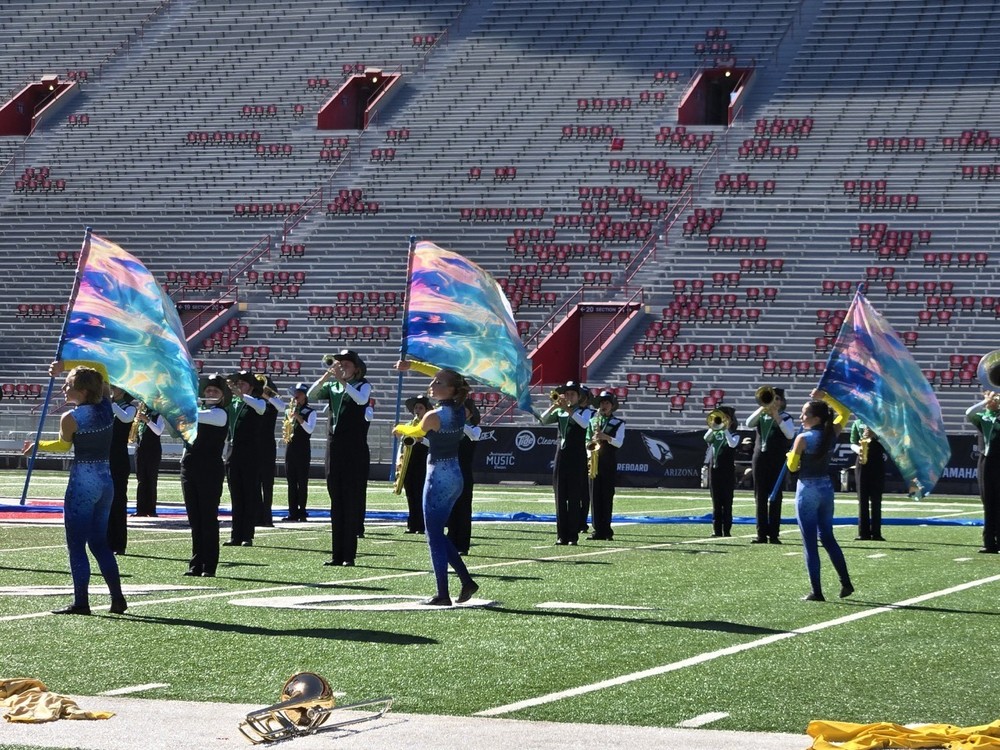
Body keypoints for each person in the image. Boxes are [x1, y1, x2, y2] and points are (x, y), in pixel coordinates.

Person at [23, 361, 127, 615]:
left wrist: (37, 446)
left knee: (77, 544)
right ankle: (117, 597)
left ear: (81, 392)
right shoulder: (106, 405)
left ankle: (82, 601)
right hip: (105, 479)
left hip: (83, 481)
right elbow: (101, 367)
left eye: (68, 385)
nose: (64, 388)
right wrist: (66, 366)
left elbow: (62, 446)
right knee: (100, 543)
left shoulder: (70, 417)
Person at [393, 365, 478, 605]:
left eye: (438, 383)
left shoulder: (433, 416)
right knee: (437, 533)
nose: (432, 384)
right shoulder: (462, 410)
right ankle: (465, 581)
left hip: (438, 475)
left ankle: (443, 593)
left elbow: (415, 431)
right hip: (455, 473)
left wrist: (399, 428)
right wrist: (412, 366)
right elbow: (445, 375)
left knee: (433, 535)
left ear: (451, 389)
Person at [786, 392, 854, 602]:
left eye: (804, 414)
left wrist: (790, 456)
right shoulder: (832, 432)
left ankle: (817, 591)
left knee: (809, 542)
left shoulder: (803, 438)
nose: (800, 418)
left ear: (816, 418)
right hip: (826, 487)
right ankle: (845, 582)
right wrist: (825, 398)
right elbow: (845, 412)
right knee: (828, 537)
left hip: (807, 489)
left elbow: (792, 467)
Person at [308, 349, 372, 567]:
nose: (342, 366)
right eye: (340, 363)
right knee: (336, 502)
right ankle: (337, 554)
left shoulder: (363, 385)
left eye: (347, 363)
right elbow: (311, 395)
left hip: (353, 449)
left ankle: (349, 555)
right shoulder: (333, 385)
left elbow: (361, 400)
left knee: (350, 502)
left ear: (357, 368)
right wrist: (327, 376)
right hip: (334, 448)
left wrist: (341, 382)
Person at [181, 374, 230, 577]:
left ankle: (209, 565)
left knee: (208, 518)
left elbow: (195, 416)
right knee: (195, 519)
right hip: (190, 467)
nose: (210, 393)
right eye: (208, 390)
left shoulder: (220, 414)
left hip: (209, 469)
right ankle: (196, 563)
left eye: (215, 391)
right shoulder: (198, 412)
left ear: (222, 396)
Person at [538, 381, 594, 546]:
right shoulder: (561, 412)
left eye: (572, 394)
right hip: (561, 455)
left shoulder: (586, 412)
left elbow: (584, 424)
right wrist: (554, 406)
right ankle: (561, 535)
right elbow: (542, 420)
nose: (569, 397)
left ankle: (573, 536)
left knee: (575, 497)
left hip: (577, 457)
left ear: (578, 397)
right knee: (560, 496)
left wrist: (568, 409)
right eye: (567, 394)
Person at [745, 386, 795, 544]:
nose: (774, 401)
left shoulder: (786, 417)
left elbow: (790, 434)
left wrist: (776, 416)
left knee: (775, 496)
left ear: (782, 401)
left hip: (777, 458)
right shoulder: (761, 416)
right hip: (760, 457)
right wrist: (762, 408)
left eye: (777, 398)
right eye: (772, 398)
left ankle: (774, 534)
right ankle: (761, 534)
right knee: (759, 496)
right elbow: (748, 423)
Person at [224, 370, 266, 547]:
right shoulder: (231, 403)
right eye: (237, 383)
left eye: (242, 383)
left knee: (249, 494)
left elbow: (261, 409)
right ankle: (235, 534)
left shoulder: (258, 402)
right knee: (236, 495)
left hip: (251, 453)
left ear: (250, 386)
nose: (239, 386)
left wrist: (241, 395)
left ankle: (247, 535)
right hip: (233, 452)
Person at [586, 390, 626, 541]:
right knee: (594, 496)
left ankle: (607, 530)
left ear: (612, 406)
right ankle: (597, 530)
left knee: (607, 496)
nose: (604, 405)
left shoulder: (619, 423)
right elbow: (587, 440)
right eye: (602, 403)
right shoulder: (592, 421)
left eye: (607, 403)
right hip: (594, 461)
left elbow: (619, 443)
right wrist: (590, 453)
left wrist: (606, 437)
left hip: (608, 462)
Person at [965, 391, 1000, 554]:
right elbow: (969, 412)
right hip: (986, 461)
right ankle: (988, 542)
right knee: (988, 502)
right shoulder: (984, 417)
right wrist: (985, 402)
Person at [448, 399, 482, 555]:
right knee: (452, 508)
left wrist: (459, 423)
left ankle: (462, 545)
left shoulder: (475, 429)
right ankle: (451, 542)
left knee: (463, 509)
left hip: (464, 473)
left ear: (470, 412)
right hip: (451, 471)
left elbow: (474, 436)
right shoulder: (453, 430)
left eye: (464, 410)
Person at [279, 382, 316, 522]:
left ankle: (302, 512)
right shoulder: (288, 411)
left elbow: (309, 430)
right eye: (295, 393)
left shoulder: (310, 412)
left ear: (305, 396)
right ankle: (292, 512)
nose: (296, 396)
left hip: (303, 449)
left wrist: (299, 418)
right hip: (291, 448)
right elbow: (286, 427)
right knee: (291, 482)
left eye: (299, 394)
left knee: (302, 481)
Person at [107, 385, 136, 554]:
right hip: (105, 455)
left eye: (115, 387)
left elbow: (126, 419)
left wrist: (110, 403)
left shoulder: (129, 408)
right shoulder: (110, 405)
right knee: (106, 501)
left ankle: (119, 543)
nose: (111, 388)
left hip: (119, 457)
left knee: (118, 500)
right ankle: (107, 540)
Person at [703, 405, 739, 538]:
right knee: (716, 502)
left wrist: (725, 430)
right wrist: (714, 426)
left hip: (727, 471)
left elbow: (732, 444)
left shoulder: (734, 434)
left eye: (726, 418)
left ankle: (727, 530)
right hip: (715, 470)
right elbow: (706, 438)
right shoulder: (715, 433)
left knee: (727, 502)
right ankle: (716, 530)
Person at [849, 420, 886, 541]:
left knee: (876, 498)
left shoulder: (882, 422)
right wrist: (858, 449)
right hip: (861, 461)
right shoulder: (857, 422)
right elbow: (852, 442)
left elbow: (890, 441)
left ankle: (876, 532)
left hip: (877, 461)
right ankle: (863, 532)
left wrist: (875, 436)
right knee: (862, 498)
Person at [399, 395, 431, 534]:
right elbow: (402, 445)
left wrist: (421, 439)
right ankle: (412, 524)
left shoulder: (429, 426)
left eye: (420, 408)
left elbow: (433, 444)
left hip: (423, 462)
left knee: (420, 494)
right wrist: (398, 461)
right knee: (410, 494)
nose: (417, 410)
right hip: (408, 462)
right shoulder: (408, 425)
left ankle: (422, 525)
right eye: (416, 408)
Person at [132, 403, 165, 517]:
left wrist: (147, 421)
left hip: (153, 450)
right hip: (140, 448)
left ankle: (151, 510)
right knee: (141, 480)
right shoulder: (140, 416)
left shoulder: (159, 415)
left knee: (151, 479)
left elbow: (158, 431)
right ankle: (140, 509)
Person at [257, 376, 281, 528]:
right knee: (254, 483)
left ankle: (267, 516)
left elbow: (282, 406)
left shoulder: (272, 405)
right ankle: (257, 515)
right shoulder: (255, 404)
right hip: (253, 446)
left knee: (267, 484)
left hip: (267, 447)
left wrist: (266, 394)